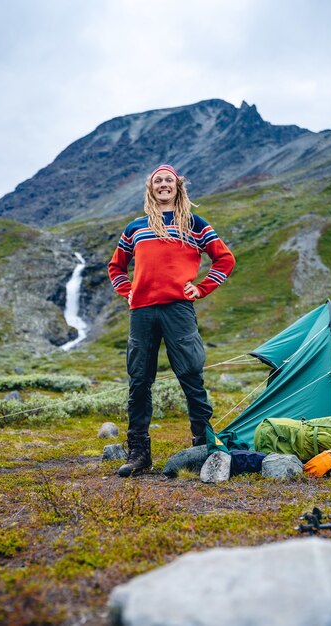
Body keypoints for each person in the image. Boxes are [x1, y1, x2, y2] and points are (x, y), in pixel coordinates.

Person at [108, 164, 236, 477]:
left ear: (178, 187)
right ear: (150, 188)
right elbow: (116, 267)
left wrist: (203, 286)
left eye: (169, 181)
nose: (163, 185)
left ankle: (203, 447)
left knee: (191, 376)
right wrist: (128, 290)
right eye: (158, 181)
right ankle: (139, 454)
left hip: (178, 309)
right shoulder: (135, 227)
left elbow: (225, 258)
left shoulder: (194, 224)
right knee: (139, 381)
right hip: (142, 312)